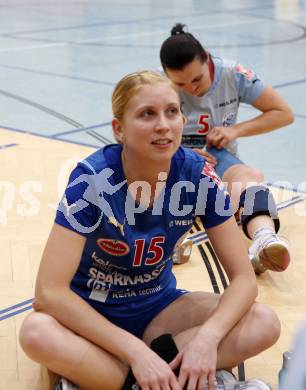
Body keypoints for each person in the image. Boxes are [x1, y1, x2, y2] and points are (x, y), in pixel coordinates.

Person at [19, 71, 280, 390]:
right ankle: (196, 381)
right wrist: (136, 353)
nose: (163, 125)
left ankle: (106, 379)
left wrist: (207, 341)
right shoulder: (92, 180)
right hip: (91, 314)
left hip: (158, 309)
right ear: (119, 130)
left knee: (263, 322)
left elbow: (243, 279)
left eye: (172, 111)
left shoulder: (197, 176)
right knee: (36, 333)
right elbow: (49, 293)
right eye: (147, 114)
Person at [160, 23, 294, 274]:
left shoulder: (233, 74)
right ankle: (165, 242)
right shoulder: (155, 84)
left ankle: (264, 240)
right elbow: (131, 137)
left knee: (249, 177)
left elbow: (283, 113)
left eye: (197, 79)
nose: (191, 89)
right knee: (146, 187)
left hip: (217, 160)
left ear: (208, 58)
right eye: (180, 84)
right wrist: (178, 153)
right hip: (172, 161)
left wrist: (235, 130)